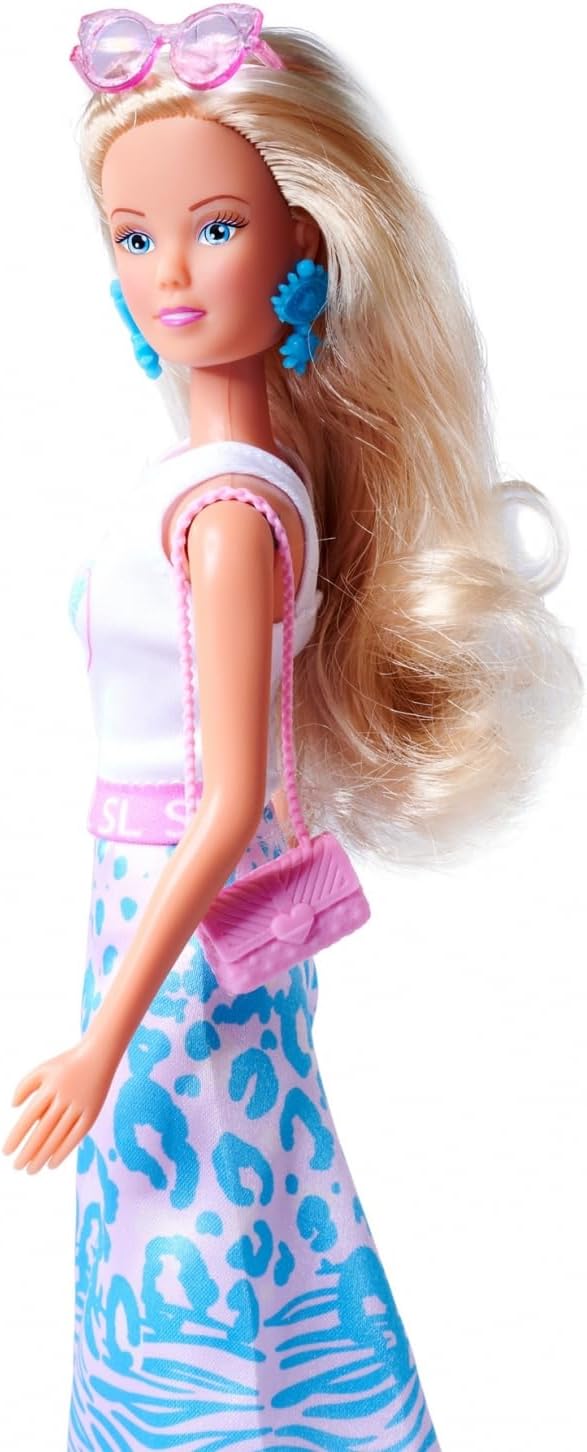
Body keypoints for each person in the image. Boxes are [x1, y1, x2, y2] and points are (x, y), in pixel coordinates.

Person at [2, 12, 581, 1450]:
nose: (168, 273)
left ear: (304, 245)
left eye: (214, 228)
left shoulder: (227, 511)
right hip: (169, 910)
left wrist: (98, 1044)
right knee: (238, 1202)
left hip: (180, 921)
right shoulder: (234, 474)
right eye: (133, 237)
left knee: (191, 1216)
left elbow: (227, 798)